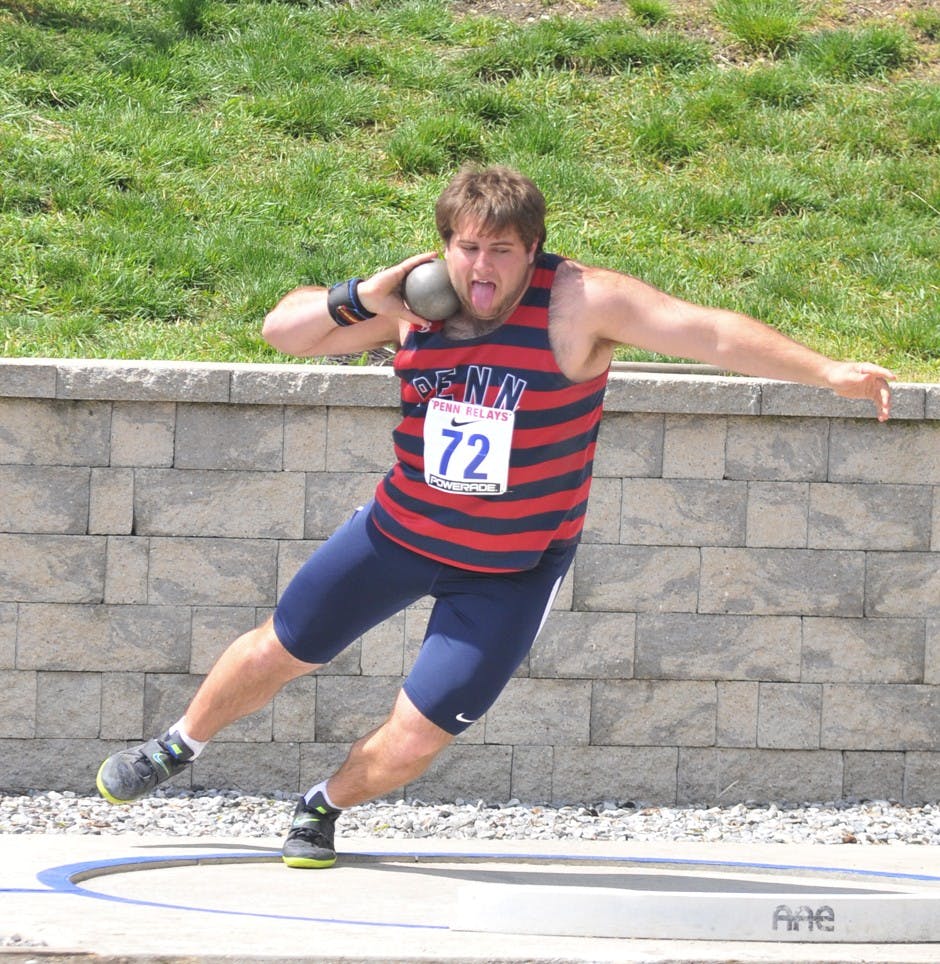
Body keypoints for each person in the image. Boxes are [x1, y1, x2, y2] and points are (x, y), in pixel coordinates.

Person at [96, 165, 894, 869]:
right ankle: (179, 745)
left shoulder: (581, 303)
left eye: (503, 252)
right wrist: (368, 295)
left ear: (535, 250)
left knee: (412, 746)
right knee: (283, 648)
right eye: (469, 249)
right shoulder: (414, 305)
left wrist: (827, 372)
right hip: (396, 535)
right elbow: (284, 332)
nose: (483, 270)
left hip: (509, 571)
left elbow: (708, 332)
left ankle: (323, 805)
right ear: (445, 246)